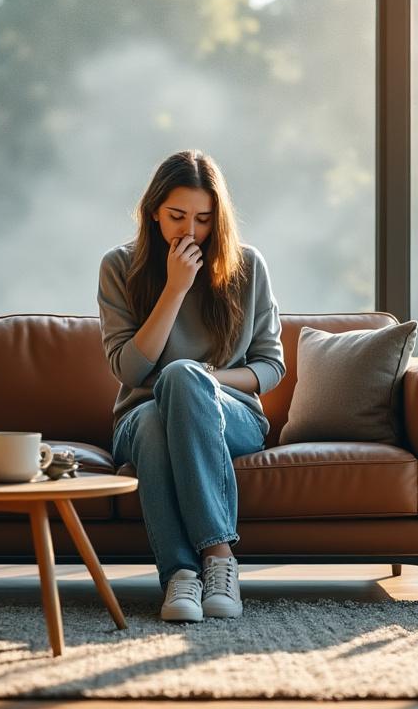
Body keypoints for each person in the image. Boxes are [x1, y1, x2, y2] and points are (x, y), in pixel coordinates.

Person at [97, 150, 285, 623]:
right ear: (153, 212)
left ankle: (201, 566)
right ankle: (195, 569)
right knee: (162, 417)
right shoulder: (118, 267)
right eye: (177, 216)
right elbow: (130, 371)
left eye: (203, 220)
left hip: (232, 413)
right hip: (141, 415)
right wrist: (175, 289)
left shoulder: (249, 266)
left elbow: (270, 366)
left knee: (184, 377)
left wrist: (207, 380)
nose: (190, 231)